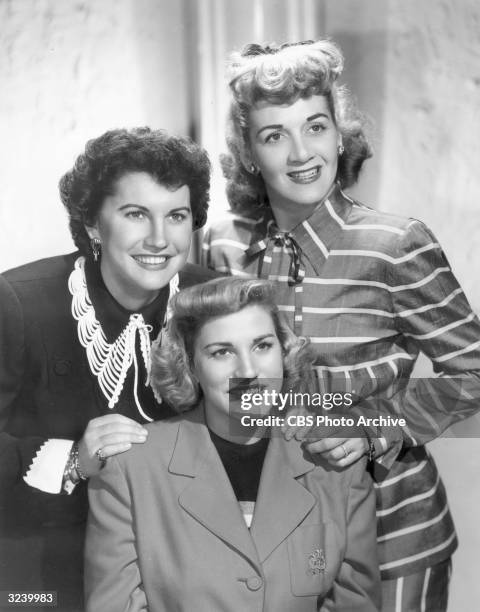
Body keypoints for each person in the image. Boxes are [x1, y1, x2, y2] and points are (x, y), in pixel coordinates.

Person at [202, 40, 480, 610]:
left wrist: (370, 428)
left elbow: (473, 372)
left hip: (392, 538)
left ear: (339, 135)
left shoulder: (396, 245)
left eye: (317, 126)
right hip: (274, 540)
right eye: (274, 134)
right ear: (249, 153)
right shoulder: (221, 245)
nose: (302, 152)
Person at [0, 127, 216, 611]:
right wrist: (74, 459)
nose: (160, 239)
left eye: (176, 216)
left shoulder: (212, 300)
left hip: (181, 571)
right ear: (94, 224)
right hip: (46, 579)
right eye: (136, 214)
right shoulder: (18, 303)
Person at [85, 276, 381, 611]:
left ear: (284, 353)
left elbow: (354, 603)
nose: (249, 370)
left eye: (262, 346)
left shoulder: (337, 464)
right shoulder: (129, 469)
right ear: (190, 365)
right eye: (222, 352)